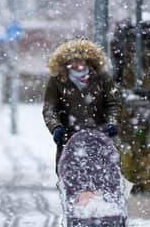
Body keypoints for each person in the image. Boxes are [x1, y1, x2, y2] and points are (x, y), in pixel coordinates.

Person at [42, 39, 121, 173]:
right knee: (71, 181)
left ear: (88, 60)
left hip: (100, 137)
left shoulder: (103, 78)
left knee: (101, 178)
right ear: (66, 61)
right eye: (73, 60)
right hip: (69, 139)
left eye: (81, 59)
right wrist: (55, 127)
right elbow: (50, 107)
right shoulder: (57, 80)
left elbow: (113, 103)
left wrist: (112, 122)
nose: (77, 63)